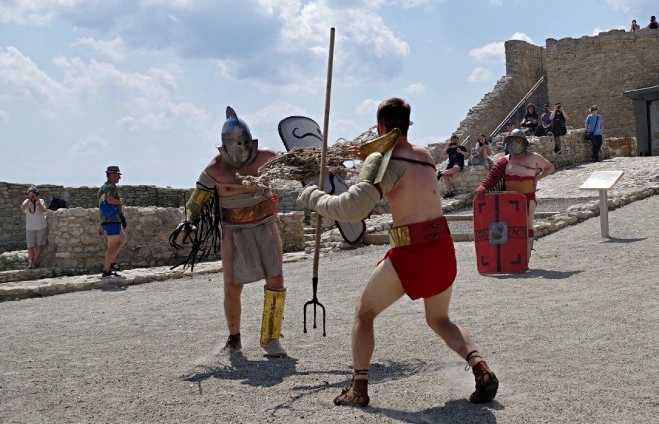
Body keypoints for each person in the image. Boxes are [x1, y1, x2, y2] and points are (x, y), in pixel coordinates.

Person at [298, 97, 499, 407]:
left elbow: (352, 208)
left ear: (380, 126)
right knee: (439, 318)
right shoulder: (424, 156)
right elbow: (393, 164)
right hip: (442, 246)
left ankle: (359, 389)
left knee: (364, 314)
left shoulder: (385, 162)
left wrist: (313, 196)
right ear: (407, 125)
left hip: (412, 251)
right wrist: (367, 152)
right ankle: (480, 367)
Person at [172, 107, 287, 357]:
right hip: (233, 230)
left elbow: (294, 165)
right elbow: (195, 202)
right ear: (224, 146)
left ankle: (271, 338)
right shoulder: (214, 170)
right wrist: (188, 220)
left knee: (276, 279)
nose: (240, 146)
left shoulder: (267, 157)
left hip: (266, 224)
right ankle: (234, 339)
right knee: (232, 285)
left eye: (243, 141)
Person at [476, 129, 555, 260]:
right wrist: (483, 186)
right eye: (512, 140)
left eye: (517, 140)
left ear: (523, 142)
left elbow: (549, 167)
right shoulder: (505, 160)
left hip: (527, 199)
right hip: (508, 200)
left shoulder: (534, 157)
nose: (515, 143)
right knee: (509, 225)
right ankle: (511, 256)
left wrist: (536, 178)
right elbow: (493, 175)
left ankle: (525, 257)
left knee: (528, 224)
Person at [98, 166, 128, 277]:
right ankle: (106, 269)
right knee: (112, 246)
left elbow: (102, 205)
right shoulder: (111, 187)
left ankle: (112, 262)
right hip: (112, 220)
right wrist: (120, 201)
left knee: (123, 239)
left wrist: (101, 223)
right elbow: (110, 200)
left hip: (108, 220)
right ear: (112, 174)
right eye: (118, 174)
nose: (119, 177)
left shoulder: (103, 187)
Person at [20, 185, 47, 269]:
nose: (32, 195)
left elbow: (43, 210)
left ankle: (34, 263)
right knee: (30, 246)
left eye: (33, 193)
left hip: (41, 226)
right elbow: (22, 208)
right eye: (30, 193)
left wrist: (37, 200)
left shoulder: (40, 201)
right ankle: (31, 261)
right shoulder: (26, 201)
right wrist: (29, 199)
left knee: (39, 245)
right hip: (30, 227)